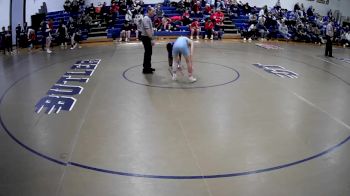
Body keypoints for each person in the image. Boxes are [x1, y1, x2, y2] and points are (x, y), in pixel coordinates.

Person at [140, 6, 156, 74]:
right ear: (149, 11)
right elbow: (147, 30)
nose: (154, 13)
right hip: (146, 38)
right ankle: (146, 69)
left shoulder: (148, 18)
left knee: (149, 53)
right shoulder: (146, 19)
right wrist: (151, 39)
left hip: (147, 37)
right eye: (153, 11)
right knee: (147, 53)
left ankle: (148, 67)